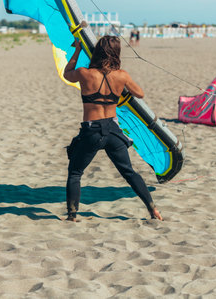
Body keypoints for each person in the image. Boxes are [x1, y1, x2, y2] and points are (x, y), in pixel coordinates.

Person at [63, 35, 163, 222]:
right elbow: (139, 93)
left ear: (97, 51)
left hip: (91, 132)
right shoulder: (122, 76)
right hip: (113, 131)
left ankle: (72, 216)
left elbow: (67, 73)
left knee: (75, 173)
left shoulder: (85, 73)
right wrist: (121, 88)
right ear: (116, 53)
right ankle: (153, 210)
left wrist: (77, 50)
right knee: (129, 172)